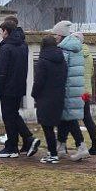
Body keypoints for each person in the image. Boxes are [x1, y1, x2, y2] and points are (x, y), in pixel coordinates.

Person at [0, 17, 37, 158]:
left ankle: (13, 146)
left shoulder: (6, 47)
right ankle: (26, 140)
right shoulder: (23, 45)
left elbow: (1, 71)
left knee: (9, 116)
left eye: (2, 31)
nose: (1, 33)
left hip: (7, 88)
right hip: (19, 86)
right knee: (14, 115)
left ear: (6, 31)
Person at [54, 21, 89, 161]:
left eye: (56, 34)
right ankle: (61, 146)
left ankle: (81, 146)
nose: (54, 37)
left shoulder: (64, 50)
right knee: (65, 118)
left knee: (70, 119)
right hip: (74, 89)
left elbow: (61, 71)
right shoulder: (75, 48)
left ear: (61, 35)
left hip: (67, 89)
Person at [31, 35, 68, 164]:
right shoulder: (62, 59)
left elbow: (39, 81)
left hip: (45, 97)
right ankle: (56, 151)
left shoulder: (43, 61)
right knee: (54, 125)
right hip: (59, 96)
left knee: (47, 127)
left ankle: (53, 153)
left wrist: (34, 94)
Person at [77, 33, 96, 156]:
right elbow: (91, 72)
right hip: (86, 90)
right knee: (87, 118)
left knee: (70, 118)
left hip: (76, 90)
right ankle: (95, 144)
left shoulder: (76, 54)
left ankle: (79, 146)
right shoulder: (89, 55)